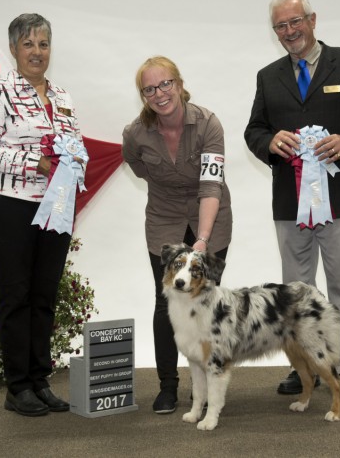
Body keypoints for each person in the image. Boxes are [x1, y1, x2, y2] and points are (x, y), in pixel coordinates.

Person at [244, 0, 340, 398]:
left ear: (313, 19)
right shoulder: (267, 76)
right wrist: (270, 142)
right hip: (290, 204)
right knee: (295, 290)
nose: (290, 32)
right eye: (281, 26)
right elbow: (253, 131)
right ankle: (303, 367)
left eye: (295, 22)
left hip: (338, 199)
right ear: (275, 32)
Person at [0, 13, 86, 416]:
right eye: (29, 44)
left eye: (44, 44)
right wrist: (34, 162)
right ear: (14, 48)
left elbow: (73, 150)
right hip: (9, 206)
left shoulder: (63, 97)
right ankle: (16, 386)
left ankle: (39, 381)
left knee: (44, 296)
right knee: (16, 296)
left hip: (55, 206)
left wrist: (75, 166)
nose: (37, 52)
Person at [122, 56, 233, 414]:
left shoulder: (207, 124)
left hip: (210, 214)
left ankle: (203, 387)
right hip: (164, 217)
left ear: (180, 84)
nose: (159, 93)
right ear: (143, 95)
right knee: (166, 302)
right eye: (149, 89)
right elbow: (137, 165)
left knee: (205, 302)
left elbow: (211, 186)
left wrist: (202, 240)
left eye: (165, 84)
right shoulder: (135, 133)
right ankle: (167, 386)